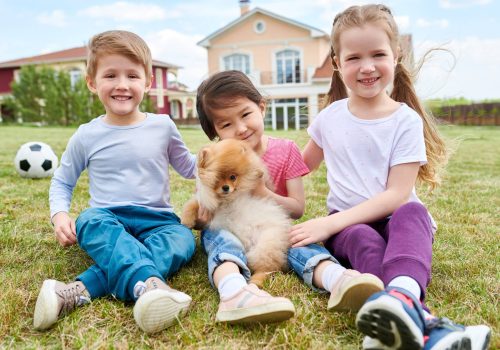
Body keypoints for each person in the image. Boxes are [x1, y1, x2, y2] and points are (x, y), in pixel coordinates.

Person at [289, 4, 491, 350]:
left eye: (377, 54)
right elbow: (299, 166)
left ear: (396, 55)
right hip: (348, 226)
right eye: (353, 58)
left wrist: (326, 225)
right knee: (361, 237)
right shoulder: (329, 118)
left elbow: (397, 195)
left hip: (395, 217)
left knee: (414, 212)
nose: (366, 67)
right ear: (337, 63)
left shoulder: (405, 121)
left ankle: (401, 299)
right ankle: (426, 323)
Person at [33, 30, 197, 334]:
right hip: (109, 219)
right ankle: (151, 285)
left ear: (147, 82)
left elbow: (190, 168)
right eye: (111, 75)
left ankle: (75, 292)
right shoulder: (86, 134)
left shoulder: (163, 126)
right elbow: (62, 181)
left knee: (184, 239)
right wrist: (59, 215)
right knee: (89, 220)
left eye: (132, 76)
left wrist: (220, 160)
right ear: (92, 82)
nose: (122, 85)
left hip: (159, 222)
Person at [195, 70, 384, 324]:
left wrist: (264, 193)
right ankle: (233, 291)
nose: (240, 128)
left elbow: (296, 209)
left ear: (261, 107)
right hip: (230, 226)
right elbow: (205, 205)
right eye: (226, 124)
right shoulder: (214, 158)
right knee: (218, 239)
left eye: (245, 114)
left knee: (301, 242)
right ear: (214, 131)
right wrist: (202, 213)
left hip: (271, 229)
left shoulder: (286, 150)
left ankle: (335, 278)